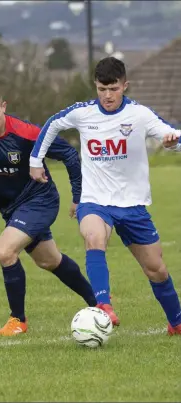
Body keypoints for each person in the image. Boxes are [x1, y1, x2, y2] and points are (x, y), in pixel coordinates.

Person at [29, 57, 181, 335]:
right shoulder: (83, 113)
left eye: (113, 89)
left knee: (156, 269)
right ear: (95, 87)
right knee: (94, 237)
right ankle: (103, 306)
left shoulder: (139, 115)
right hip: (95, 200)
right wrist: (35, 160)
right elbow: (52, 124)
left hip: (132, 205)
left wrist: (172, 143)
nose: (107, 95)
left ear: (125, 85)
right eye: (102, 89)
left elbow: (171, 135)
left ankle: (177, 322)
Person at [0, 86, 98, 337]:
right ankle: (100, 305)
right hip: (11, 208)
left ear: (4, 107)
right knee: (49, 260)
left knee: (4, 250)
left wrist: (78, 197)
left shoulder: (27, 133)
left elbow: (69, 155)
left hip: (40, 200)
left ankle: (18, 321)